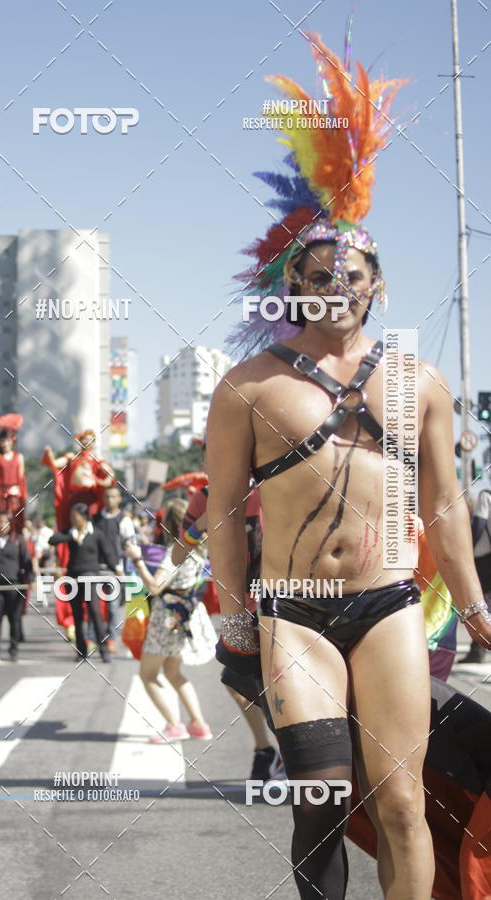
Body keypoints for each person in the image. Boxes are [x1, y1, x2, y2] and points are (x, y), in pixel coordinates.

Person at [207, 34, 491, 900]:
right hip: (296, 610)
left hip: (390, 603)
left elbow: (444, 505)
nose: (338, 285)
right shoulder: (248, 386)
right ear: (293, 286)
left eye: (354, 272)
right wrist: (236, 621)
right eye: (321, 273)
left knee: (403, 802)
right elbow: (223, 510)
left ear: (378, 285)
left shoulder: (419, 384)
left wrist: (475, 607)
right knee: (321, 797)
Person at [172, 441, 282, 781]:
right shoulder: (204, 497)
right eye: (209, 454)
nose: (215, 460)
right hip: (238, 608)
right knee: (235, 679)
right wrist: (199, 526)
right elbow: (177, 556)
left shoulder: (272, 488)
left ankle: (297, 756)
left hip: (282, 605)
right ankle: (266, 750)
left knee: (284, 684)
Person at [125, 498, 216, 744]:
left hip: (168, 617)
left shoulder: (175, 551)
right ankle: (199, 724)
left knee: (148, 674)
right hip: (188, 614)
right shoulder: (201, 549)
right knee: (174, 672)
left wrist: (137, 560)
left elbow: (155, 587)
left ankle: (174, 725)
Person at [48, 503, 119, 663]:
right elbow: (52, 540)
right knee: (77, 616)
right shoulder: (70, 533)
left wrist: (116, 568)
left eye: (76, 517)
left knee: (95, 613)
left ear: (85, 517)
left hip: (91, 577)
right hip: (73, 579)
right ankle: (81, 651)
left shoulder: (96, 534)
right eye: (72, 517)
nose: (73, 520)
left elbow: (107, 553)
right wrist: (70, 536)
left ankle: (104, 650)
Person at [0, 512, 33, 664]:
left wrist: (31, 579)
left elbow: (27, 562)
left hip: (14, 585)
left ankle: (14, 650)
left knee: (15, 620)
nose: (1, 525)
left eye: (5, 522)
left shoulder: (18, 541)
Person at [94, 485, 137, 653]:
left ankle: (111, 638)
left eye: (113, 496)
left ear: (119, 499)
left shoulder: (124, 520)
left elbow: (130, 545)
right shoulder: (95, 519)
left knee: (113, 608)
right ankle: (94, 637)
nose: (110, 500)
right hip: (97, 569)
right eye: (107, 496)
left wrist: (127, 570)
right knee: (94, 607)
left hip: (116, 570)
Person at [460, 487, 491, 663]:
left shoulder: (486, 494)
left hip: (483, 555)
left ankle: (477, 649)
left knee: (480, 600)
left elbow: (479, 523)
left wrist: (468, 548)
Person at [0, 427, 27, 534]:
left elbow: (21, 478)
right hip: (1, 497)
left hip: (15, 496)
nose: (5, 444)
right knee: (2, 521)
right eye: (2, 441)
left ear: (12, 441)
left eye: (8, 441)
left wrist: (21, 495)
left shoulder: (19, 457)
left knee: (16, 520)